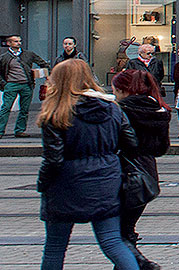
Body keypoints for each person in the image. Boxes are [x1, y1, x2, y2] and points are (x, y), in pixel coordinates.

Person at [36, 59, 139, 270]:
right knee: (112, 242)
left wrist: (42, 183)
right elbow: (131, 144)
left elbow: (53, 159)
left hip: (65, 184)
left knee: (55, 246)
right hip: (106, 180)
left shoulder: (55, 112)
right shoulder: (112, 108)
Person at [112, 69, 171, 270]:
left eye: (115, 90)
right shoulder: (159, 109)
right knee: (126, 229)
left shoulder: (120, 110)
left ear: (123, 90)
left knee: (116, 235)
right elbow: (161, 148)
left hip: (124, 173)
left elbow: (117, 144)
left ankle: (142, 264)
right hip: (147, 175)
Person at [0, 34, 50, 139]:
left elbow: (43, 64)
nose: (19, 43)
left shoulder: (28, 54)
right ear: (9, 43)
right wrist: (4, 84)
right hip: (11, 84)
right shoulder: (4, 57)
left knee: (24, 109)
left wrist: (42, 73)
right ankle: (1, 130)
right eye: (15, 41)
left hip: (27, 84)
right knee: (6, 108)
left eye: (19, 41)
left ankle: (20, 130)